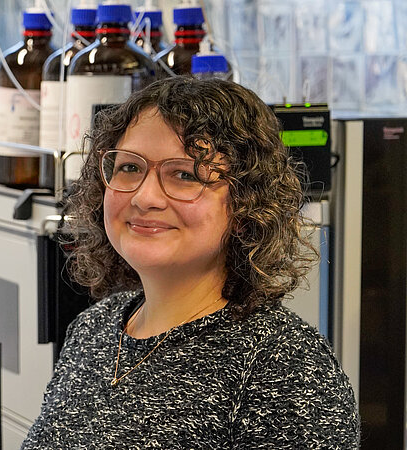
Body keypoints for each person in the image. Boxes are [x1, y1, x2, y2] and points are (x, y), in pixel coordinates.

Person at [21, 77, 359, 448]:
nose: (144, 197)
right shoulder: (94, 329)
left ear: (247, 206)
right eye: (130, 168)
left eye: (184, 174)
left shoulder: (285, 366)